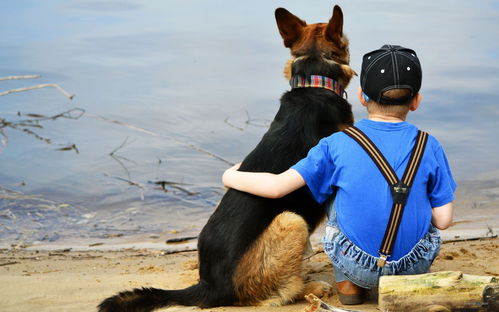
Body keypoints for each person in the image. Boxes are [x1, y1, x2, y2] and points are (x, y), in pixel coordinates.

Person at [222, 45, 456, 305]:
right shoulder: (430, 145)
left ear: (361, 96)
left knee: (331, 185)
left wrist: (230, 176)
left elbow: (277, 187)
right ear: (416, 101)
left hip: (355, 263)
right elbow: (444, 220)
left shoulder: (335, 143)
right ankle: (403, 279)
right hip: (413, 266)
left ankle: (350, 289)